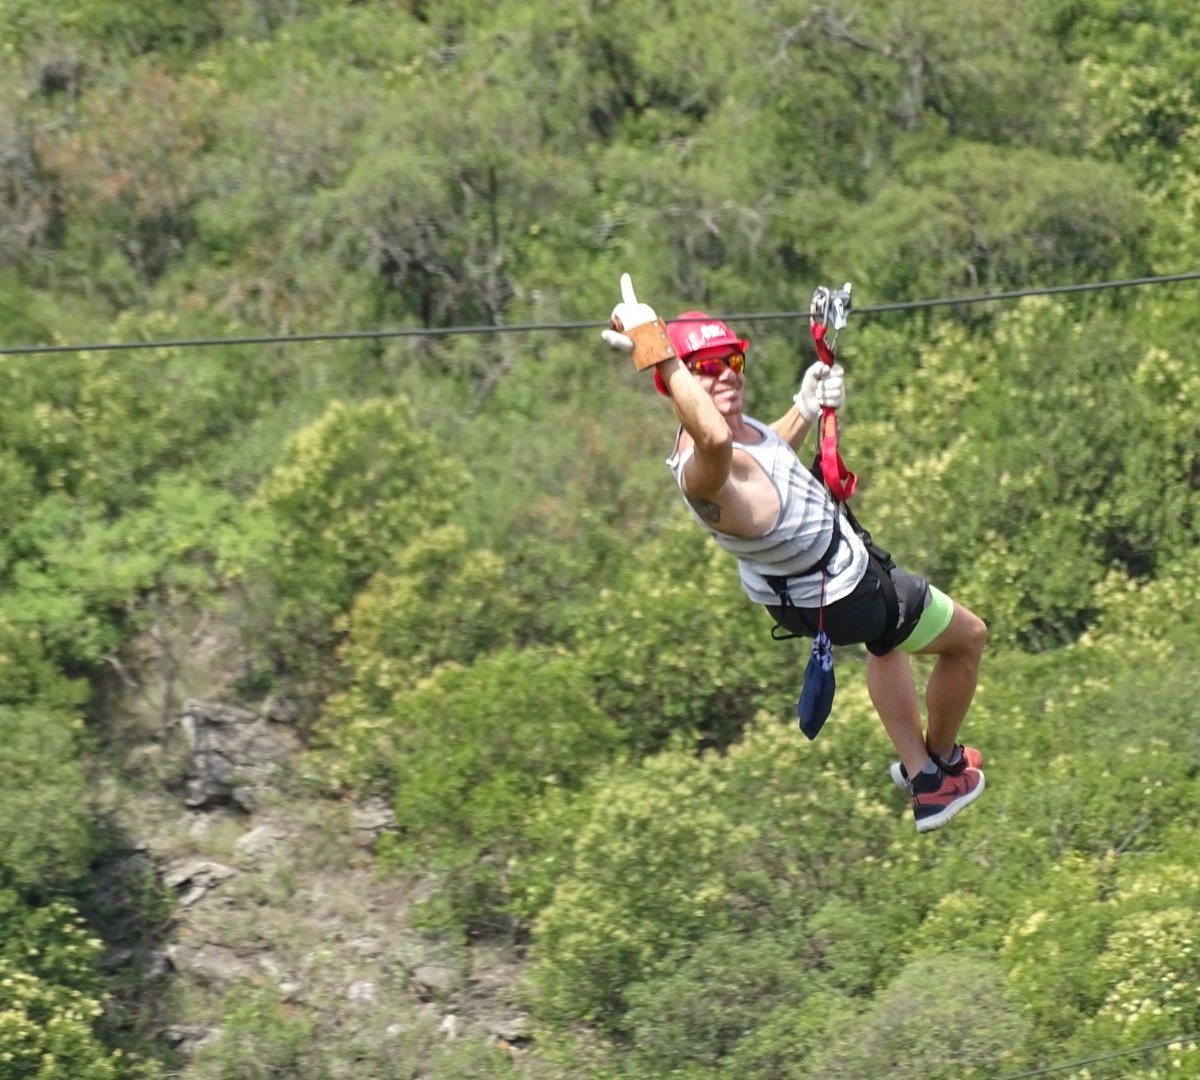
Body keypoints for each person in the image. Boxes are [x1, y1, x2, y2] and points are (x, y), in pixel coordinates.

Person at [602, 273, 988, 833]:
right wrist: (657, 353)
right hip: (847, 586)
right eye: (705, 370)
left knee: (887, 646)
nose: (724, 380)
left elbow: (769, 459)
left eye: (731, 363)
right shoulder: (700, 466)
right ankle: (940, 771)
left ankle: (919, 768)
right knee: (968, 640)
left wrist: (804, 407)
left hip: (807, 595)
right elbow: (714, 440)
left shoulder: (740, 433)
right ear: (679, 385)